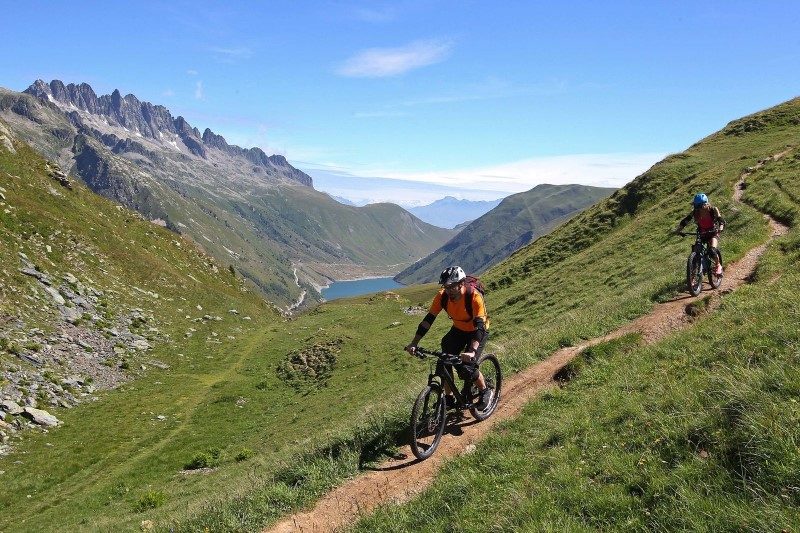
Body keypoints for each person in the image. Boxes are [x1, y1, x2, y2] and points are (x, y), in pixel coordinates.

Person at [405, 266, 493, 411]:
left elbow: (480, 326)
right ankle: (449, 398)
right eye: (446, 287)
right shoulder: (442, 296)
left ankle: (485, 391)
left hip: (477, 332)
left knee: (467, 369)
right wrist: (414, 343)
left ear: (462, 283)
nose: (449, 290)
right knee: (443, 363)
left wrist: (472, 351)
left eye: (452, 286)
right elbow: (428, 320)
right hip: (458, 330)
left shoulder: (474, 296)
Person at [676, 192, 726, 276]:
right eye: (696, 206)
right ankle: (694, 274)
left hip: (712, 233)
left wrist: (721, 226)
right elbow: (685, 221)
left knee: (712, 250)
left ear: (705, 204)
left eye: (698, 206)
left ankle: (718, 265)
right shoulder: (695, 212)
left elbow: (720, 219)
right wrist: (679, 230)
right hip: (701, 234)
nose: (697, 208)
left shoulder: (713, 210)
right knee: (696, 251)